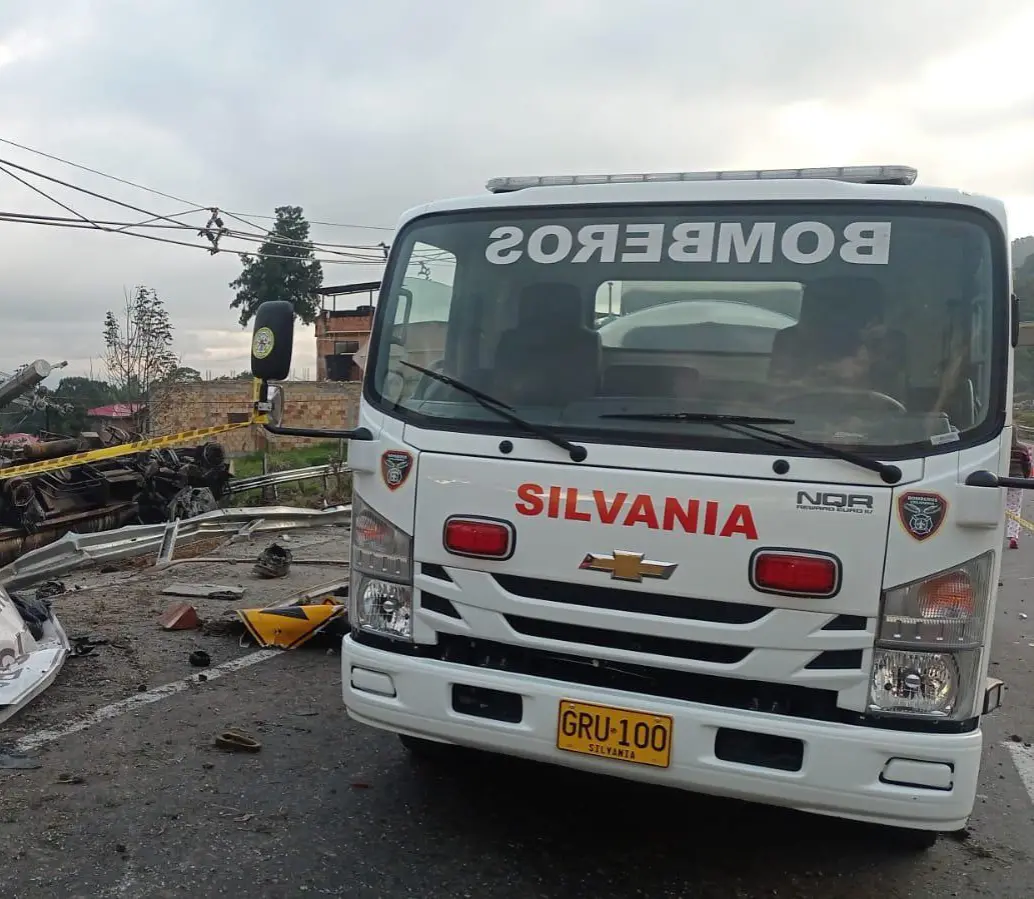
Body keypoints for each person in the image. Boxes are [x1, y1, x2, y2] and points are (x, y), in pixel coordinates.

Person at [1007, 432, 1032, 549]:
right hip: (1017, 480)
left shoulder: (1001, 447)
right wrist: (1026, 477)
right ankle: (1013, 536)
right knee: (1014, 509)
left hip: (999, 479)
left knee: (996, 507)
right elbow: (1027, 465)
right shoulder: (1022, 449)